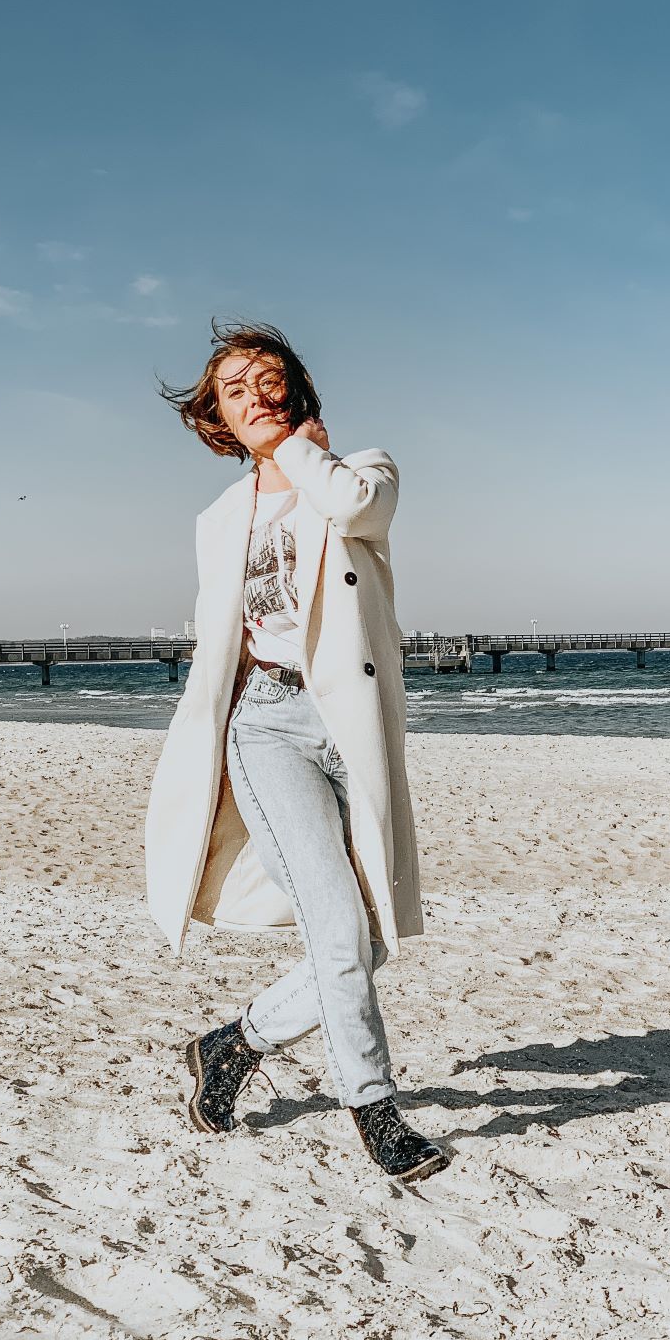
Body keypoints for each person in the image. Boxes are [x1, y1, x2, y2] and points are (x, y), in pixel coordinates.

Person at [145, 320, 448, 1182]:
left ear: (297, 391)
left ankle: (231, 1044)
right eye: (235, 390)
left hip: (349, 724)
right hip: (266, 724)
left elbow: (359, 511)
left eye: (269, 379)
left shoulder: (362, 472)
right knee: (341, 929)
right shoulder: (217, 520)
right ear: (216, 420)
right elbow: (224, 642)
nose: (256, 396)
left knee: (366, 938)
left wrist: (305, 454)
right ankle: (375, 1109)